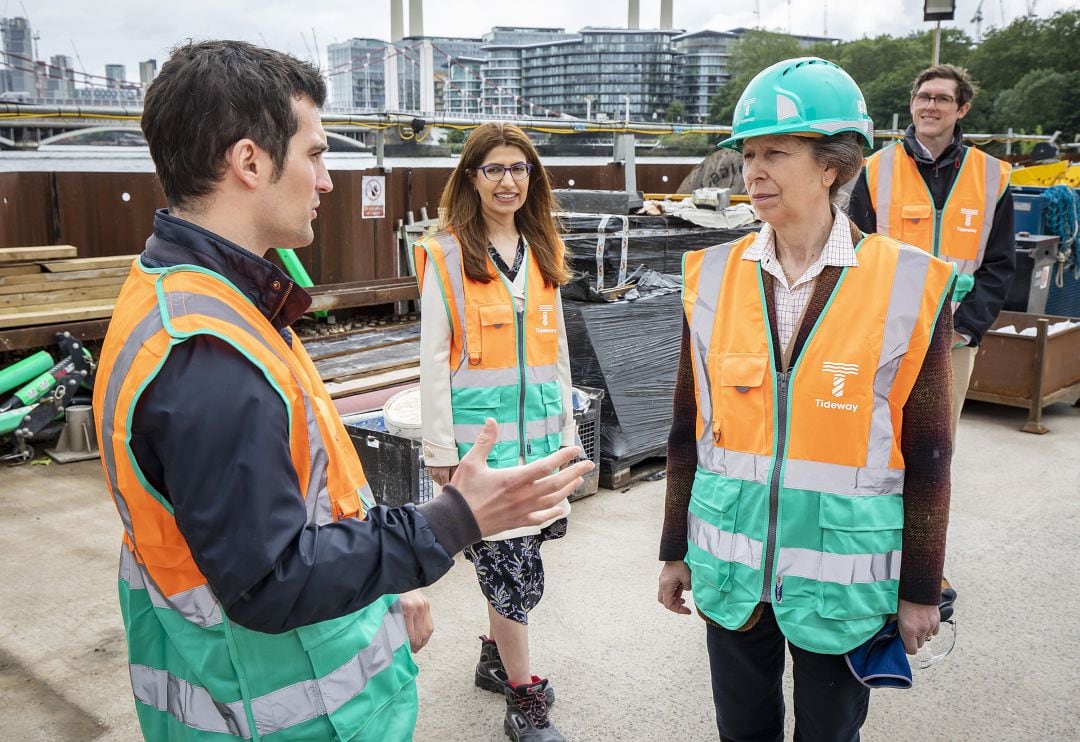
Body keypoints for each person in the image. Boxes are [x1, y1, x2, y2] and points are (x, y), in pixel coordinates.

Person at [91, 41, 591, 742]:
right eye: (317, 154)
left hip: (243, 685)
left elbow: (299, 506)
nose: (328, 180)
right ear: (250, 162)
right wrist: (444, 525)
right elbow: (270, 579)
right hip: (281, 712)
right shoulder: (209, 354)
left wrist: (384, 587)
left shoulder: (186, 301)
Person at [656, 57, 956, 741]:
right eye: (747, 154)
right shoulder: (710, 277)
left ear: (833, 166)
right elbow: (685, 430)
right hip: (732, 576)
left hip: (841, 584)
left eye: (775, 154)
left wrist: (919, 589)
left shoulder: (908, 285)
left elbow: (930, 453)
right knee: (743, 731)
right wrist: (675, 549)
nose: (752, 172)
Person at [413, 122, 575, 742]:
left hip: (537, 445)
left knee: (511, 561)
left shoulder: (540, 248)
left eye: (519, 169)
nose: (508, 181)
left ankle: (492, 655)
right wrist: (439, 448)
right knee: (513, 571)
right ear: (471, 178)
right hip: (483, 453)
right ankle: (523, 699)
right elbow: (431, 358)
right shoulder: (447, 254)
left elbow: (554, 349)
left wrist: (568, 434)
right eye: (494, 170)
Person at [848, 63, 1015, 438]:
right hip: (886, 334)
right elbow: (856, 253)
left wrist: (966, 329)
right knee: (873, 438)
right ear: (911, 104)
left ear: (962, 109)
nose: (931, 106)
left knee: (937, 445)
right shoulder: (874, 170)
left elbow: (1000, 265)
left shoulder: (992, 176)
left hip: (953, 338)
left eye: (942, 99)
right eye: (924, 97)